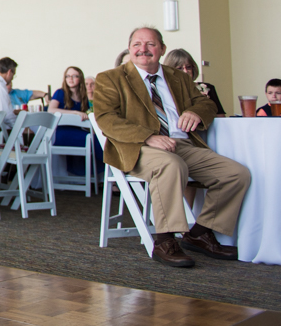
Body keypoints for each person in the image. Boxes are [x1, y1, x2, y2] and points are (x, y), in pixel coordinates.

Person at [93, 27, 249, 268]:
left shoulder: (178, 78)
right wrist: (147, 137)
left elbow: (206, 103)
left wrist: (195, 111)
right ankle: (165, 241)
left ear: (162, 49)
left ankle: (199, 233)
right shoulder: (111, 78)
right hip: (138, 147)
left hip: (181, 143)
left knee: (236, 174)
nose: (143, 49)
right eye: (137, 44)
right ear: (130, 48)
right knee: (171, 164)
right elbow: (106, 118)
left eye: (150, 44)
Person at [48, 66, 99, 175]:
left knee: (100, 140)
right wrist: (75, 113)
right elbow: (51, 110)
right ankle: (109, 176)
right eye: (68, 76)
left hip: (78, 131)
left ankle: (98, 175)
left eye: (74, 76)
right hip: (62, 133)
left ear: (80, 78)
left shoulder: (83, 96)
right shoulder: (60, 92)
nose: (70, 79)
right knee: (96, 142)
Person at [162, 49, 225, 116]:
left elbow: (220, 117)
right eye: (179, 68)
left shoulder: (207, 88)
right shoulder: (165, 90)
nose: (186, 71)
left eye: (188, 67)